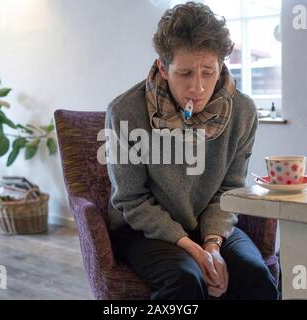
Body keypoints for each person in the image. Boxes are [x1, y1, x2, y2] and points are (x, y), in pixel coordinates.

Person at [105, 2, 278, 300]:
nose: (197, 87)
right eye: (184, 73)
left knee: (255, 276)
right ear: (163, 66)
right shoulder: (125, 111)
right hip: (142, 229)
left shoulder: (244, 112)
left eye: (208, 72)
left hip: (208, 222)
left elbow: (229, 189)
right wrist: (190, 247)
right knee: (184, 279)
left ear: (221, 66)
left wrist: (212, 244)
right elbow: (131, 199)